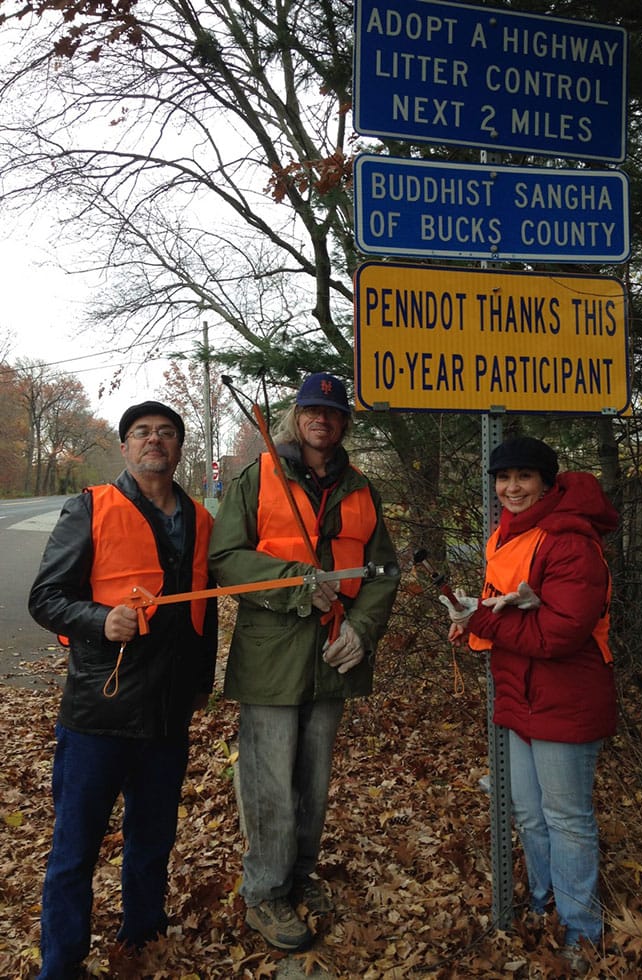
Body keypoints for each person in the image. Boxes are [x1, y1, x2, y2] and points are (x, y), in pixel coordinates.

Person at [28, 400, 218, 979]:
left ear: (180, 448)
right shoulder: (89, 508)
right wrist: (97, 618)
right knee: (75, 850)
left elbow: (204, 611)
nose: (154, 440)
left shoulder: (200, 519)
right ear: (125, 445)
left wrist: (200, 686)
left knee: (153, 840)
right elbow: (45, 598)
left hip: (167, 715)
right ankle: (61, 965)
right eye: (142, 432)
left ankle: (142, 937)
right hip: (97, 714)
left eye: (166, 433)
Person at [209, 372, 398, 953]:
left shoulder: (363, 489)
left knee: (313, 779)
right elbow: (225, 558)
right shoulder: (256, 477)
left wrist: (363, 631)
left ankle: (300, 875)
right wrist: (295, 583)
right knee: (268, 780)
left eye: (333, 412)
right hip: (272, 654)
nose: (322, 419)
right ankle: (265, 890)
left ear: (344, 423)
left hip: (334, 652)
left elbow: (383, 572)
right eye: (312, 410)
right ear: (297, 417)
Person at [440, 436, 618, 974]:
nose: (511, 488)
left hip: (567, 697)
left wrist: (486, 620)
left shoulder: (569, 541)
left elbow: (561, 633)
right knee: (528, 811)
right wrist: (473, 612)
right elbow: (510, 603)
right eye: (503, 478)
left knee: (566, 818)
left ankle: (581, 931)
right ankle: (543, 903)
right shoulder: (506, 535)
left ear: (546, 481)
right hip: (520, 691)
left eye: (523, 477)